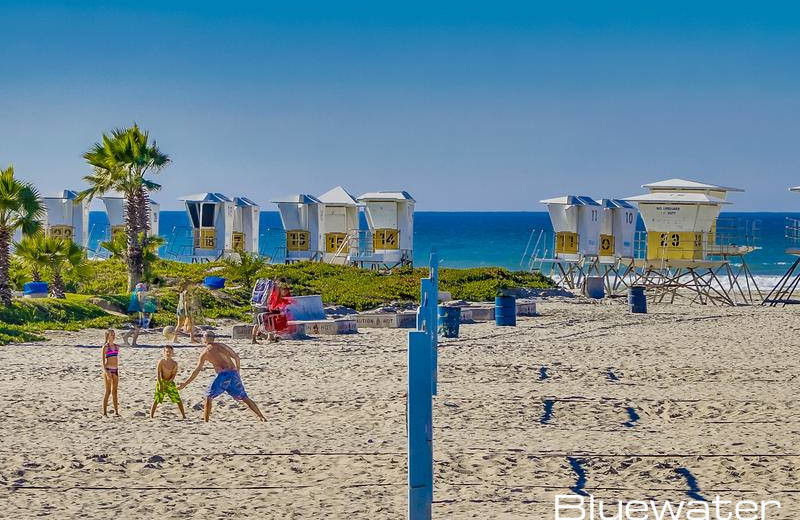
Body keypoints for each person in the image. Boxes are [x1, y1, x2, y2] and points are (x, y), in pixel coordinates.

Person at [178, 331, 266, 422]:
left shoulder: (205, 352)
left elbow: (196, 370)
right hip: (233, 373)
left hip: (223, 375)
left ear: (204, 339)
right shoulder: (222, 346)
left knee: (208, 396)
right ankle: (261, 416)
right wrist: (238, 372)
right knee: (244, 397)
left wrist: (185, 383)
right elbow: (236, 357)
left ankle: (206, 421)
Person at [150, 345, 187, 419]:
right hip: (161, 381)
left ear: (172, 353)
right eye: (166, 352)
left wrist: (169, 383)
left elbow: (173, 375)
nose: (168, 353)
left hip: (169, 383)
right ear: (164, 352)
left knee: (178, 399)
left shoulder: (174, 363)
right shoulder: (161, 361)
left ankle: (183, 416)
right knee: (157, 399)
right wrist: (160, 384)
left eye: (170, 352)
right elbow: (158, 374)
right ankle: (151, 416)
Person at [101, 329, 121, 417]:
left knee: (115, 391)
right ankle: (105, 412)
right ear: (107, 336)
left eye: (114, 334)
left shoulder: (117, 347)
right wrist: (106, 371)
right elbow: (102, 362)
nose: (113, 336)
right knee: (108, 391)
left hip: (115, 370)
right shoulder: (105, 347)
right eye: (111, 334)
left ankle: (116, 411)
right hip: (108, 370)